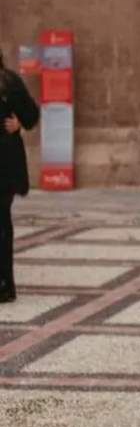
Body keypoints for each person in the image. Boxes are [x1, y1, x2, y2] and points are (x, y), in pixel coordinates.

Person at [0, 52, 40, 303]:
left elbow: (31, 115)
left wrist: (19, 124)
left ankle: (5, 284)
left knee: (2, 222)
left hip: (5, 164)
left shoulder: (9, 83)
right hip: (8, 161)